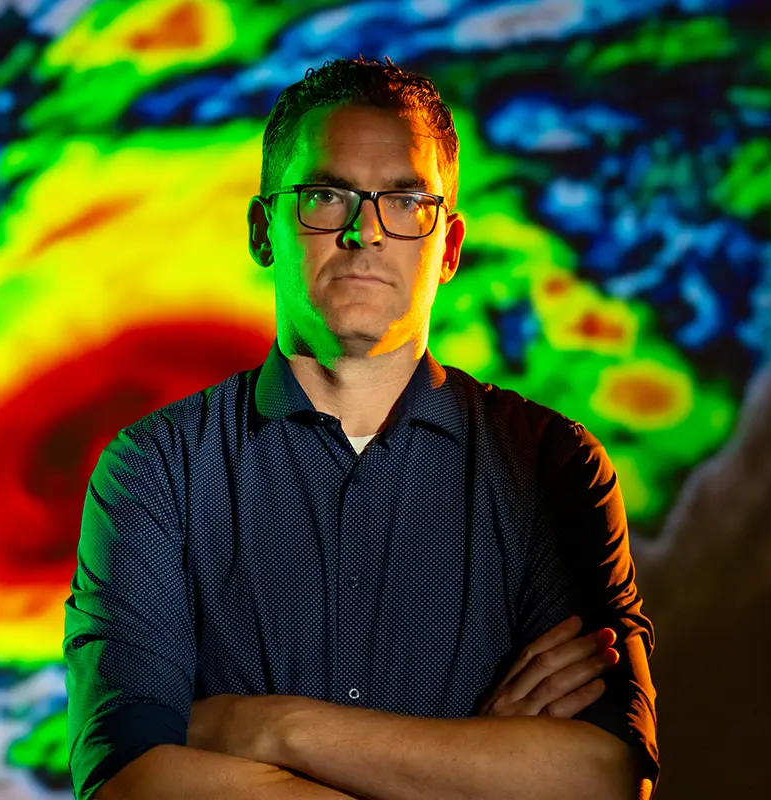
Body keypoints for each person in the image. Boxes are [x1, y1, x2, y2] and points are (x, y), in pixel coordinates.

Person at [63, 56, 658, 800]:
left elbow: (603, 779)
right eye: (324, 195)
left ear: (449, 247)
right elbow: (131, 784)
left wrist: (269, 728)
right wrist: (475, 770)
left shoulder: (555, 464)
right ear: (262, 230)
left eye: (406, 202)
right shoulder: (157, 469)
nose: (363, 233)